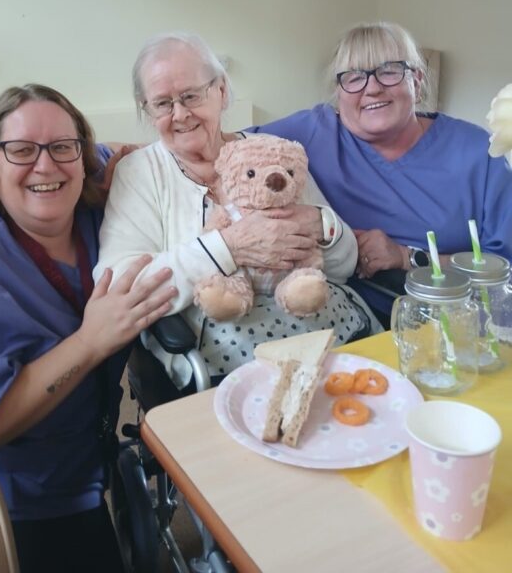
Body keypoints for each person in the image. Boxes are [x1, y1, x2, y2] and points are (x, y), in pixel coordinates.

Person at [0, 84, 176, 573]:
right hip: (5, 500)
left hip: (82, 465)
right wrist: (90, 342)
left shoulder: (95, 217)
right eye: (21, 150)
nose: (45, 165)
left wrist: (152, 155)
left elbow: (119, 153)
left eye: (62, 147)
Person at [95, 32, 382, 390]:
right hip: (227, 360)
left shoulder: (272, 153)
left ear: (222, 91)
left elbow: (343, 266)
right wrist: (226, 248)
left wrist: (323, 225)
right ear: (146, 110)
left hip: (328, 333)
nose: (180, 114)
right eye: (162, 103)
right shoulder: (139, 172)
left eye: (190, 95)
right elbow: (121, 283)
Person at [249, 21, 512, 323]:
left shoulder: (479, 151)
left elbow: (502, 269)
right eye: (354, 77)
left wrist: (405, 257)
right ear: (339, 91)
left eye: (389, 70)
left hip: (465, 324)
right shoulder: (314, 132)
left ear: (417, 79)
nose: (372, 88)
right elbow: (221, 150)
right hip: (355, 321)